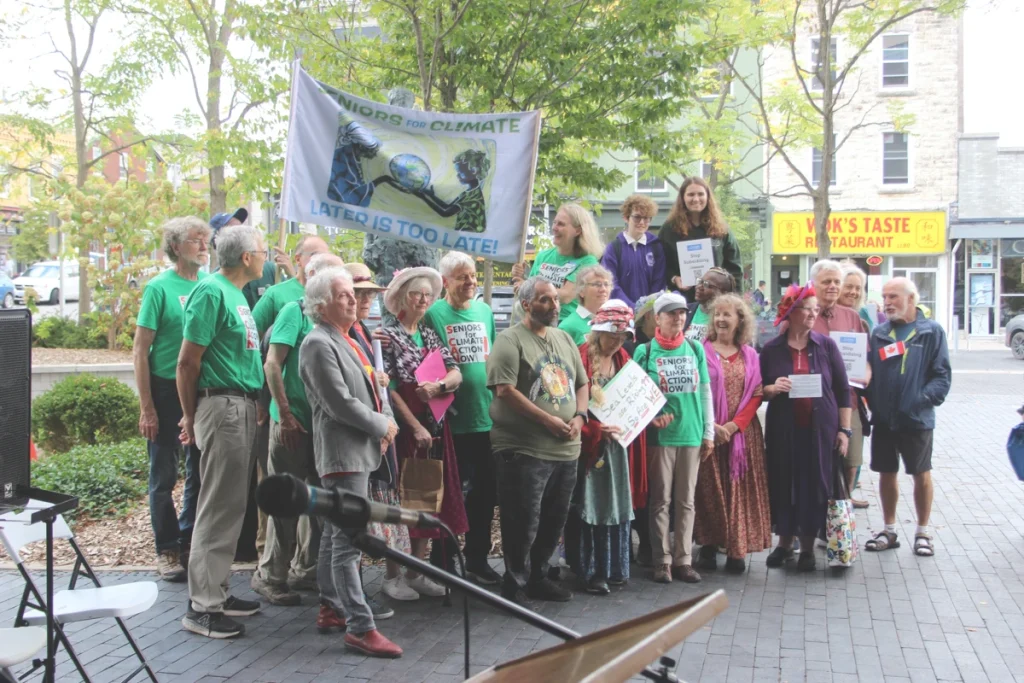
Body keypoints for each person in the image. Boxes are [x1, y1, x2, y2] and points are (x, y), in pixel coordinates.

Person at [298, 267, 402, 658]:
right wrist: (381, 425)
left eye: (351, 293)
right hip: (343, 455)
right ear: (322, 304)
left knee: (334, 535)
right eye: (342, 294)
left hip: (356, 452)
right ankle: (360, 627)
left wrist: (386, 415)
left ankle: (332, 607)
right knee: (348, 541)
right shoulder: (317, 343)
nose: (351, 299)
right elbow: (338, 402)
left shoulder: (347, 339)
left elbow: (375, 385)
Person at [176, 225, 266, 639]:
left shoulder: (236, 294)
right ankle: (203, 607)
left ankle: (218, 590)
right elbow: (187, 362)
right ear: (246, 257)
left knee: (231, 504)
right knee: (216, 505)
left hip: (239, 405)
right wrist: (190, 415)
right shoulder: (211, 292)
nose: (266, 256)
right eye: (262, 251)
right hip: (222, 405)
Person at [249, 253, 344, 608]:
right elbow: (272, 363)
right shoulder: (295, 311)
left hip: (322, 429)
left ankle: (305, 568)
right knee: (285, 505)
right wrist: (285, 416)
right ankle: (270, 575)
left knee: (316, 502)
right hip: (291, 426)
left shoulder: (329, 319)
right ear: (313, 276)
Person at [487, 277, 589, 603]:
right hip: (524, 448)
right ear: (527, 304)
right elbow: (504, 390)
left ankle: (538, 576)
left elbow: (582, 384)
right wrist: (548, 420)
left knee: (554, 518)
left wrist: (580, 417)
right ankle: (514, 582)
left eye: (556, 299)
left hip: (566, 448)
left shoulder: (564, 339)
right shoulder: (509, 340)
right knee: (523, 519)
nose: (554, 305)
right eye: (545, 300)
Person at [378, 267, 468, 598]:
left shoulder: (429, 334)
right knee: (402, 500)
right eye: (416, 294)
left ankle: (417, 569)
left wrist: (440, 385)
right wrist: (413, 426)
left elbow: (456, 372)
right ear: (401, 298)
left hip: (435, 425)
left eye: (428, 295)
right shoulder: (388, 336)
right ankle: (393, 574)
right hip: (406, 430)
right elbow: (389, 388)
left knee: (425, 498)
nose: (423, 300)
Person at [133, 216, 210, 582]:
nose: (204, 246)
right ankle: (166, 549)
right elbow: (140, 351)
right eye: (197, 240)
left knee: (199, 471)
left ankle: (188, 541)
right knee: (163, 474)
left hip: (202, 390)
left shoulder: (211, 285)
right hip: (165, 390)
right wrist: (147, 407)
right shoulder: (158, 288)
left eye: (206, 239)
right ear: (177, 247)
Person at [760, 284, 851, 572]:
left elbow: (843, 390)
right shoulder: (772, 348)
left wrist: (844, 431)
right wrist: (772, 388)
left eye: (816, 309)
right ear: (791, 312)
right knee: (783, 481)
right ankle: (784, 543)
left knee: (814, 485)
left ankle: (808, 547)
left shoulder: (826, 345)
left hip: (820, 430)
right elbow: (757, 389)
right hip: (783, 429)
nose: (813, 314)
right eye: (807, 309)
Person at [423, 252, 501, 585]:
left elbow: (493, 357)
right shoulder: (432, 315)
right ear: (445, 282)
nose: (470, 281)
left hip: (486, 417)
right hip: (452, 423)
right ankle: (444, 561)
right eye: (461, 276)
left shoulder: (484, 311)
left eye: (472, 275)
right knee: (451, 494)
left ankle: (478, 558)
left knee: (485, 493)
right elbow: (427, 364)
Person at [863, 278, 951, 558]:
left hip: (916, 419)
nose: (887, 302)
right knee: (886, 473)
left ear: (911, 298)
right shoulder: (879, 333)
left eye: (893, 297)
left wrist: (920, 401)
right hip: (885, 420)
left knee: (920, 474)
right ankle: (889, 530)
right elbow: (868, 372)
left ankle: (923, 531)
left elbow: (942, 376)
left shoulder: (931, 331)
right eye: (885, 297)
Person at [634, 292, 715, 584]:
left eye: (681, 313)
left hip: (691, 434)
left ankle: (683, 560)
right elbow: (636, 395)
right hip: (660, 437)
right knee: (660, 500)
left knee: (686, 501)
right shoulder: (645, 351)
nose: (678, 318)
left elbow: (705, 391)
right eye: (671, 313)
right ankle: (661, 561)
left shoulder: (695, 348)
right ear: (657, 318)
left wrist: (709, 432)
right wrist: (650, 418)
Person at [566, 300, 646, 595]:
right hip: (591, 448)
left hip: (618, 447)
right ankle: (590, 570)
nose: (616, 341)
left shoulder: (624, 358)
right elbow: (569, 406)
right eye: (612, 335)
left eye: (622, 336)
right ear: (598, 332)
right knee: (592, 506)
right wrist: (597, 430)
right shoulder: (582, 357)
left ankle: (614, 567)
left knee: (615, 503)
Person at [344, 262, 411, 607]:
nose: (366, 300)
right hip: (359, 439)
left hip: (379, 435)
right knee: (352, 518)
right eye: (359, 293)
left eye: (370, 294)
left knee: (379, 505)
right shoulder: (336, 335)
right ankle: (348, 596)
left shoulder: (365, 332)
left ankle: (384, 580)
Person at [694, 295, 771, 573]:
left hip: (741, 435)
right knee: (709, 491)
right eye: (717, 314)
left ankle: (736, 549)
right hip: (708, 433)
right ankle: (709, 545)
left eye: (728, 315)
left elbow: (756, 395)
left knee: (739, 491)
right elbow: (694, 392)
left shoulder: (750, 354)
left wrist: (733, 426)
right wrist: (712, 425)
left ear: (740, 320)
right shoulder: (700, 350)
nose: (721, 320)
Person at [809, 259, 871, 509]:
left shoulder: (852, 317)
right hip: (813, 402)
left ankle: (840, 516)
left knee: (851, 458)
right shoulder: (804, 313)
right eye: (827, 282)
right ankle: (816, 514)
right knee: (816, 461)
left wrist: (866, 373)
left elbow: (864, 356)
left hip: (849, 399)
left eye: (837, 282)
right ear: (814, 285)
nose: (834, 286)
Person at [510, 203, 603, 323]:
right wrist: (518, 278)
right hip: (537, 322)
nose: (554, 227)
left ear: (578, 230)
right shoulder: (543, 256)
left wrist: (526, 286)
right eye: (555, 222)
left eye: (561, 224)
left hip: (565, 325)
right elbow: (528, 291)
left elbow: (566, 295)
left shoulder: (588, 261)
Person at [658, 177, 742, 294]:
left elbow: (735, 269)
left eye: (700, 194)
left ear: (708, 197)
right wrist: (674, 278)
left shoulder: (721, 229)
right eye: (691, 194)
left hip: (716, 302)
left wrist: (735, 301)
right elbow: (660, 266)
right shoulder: (669, 230)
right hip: (683, 302)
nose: (696, 199)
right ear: (683, 197)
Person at [252, 234, 331, 335]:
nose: (323, 260)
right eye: (316, 255)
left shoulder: (333, 295)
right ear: (298, 259)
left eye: (327, 256)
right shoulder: (275, 294)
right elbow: (252, 336)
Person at [600, 194, 666, 309]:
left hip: (649, 314)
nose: (641, 222)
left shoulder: (656, 247)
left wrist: (647, 308)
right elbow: (611, 284)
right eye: (637, 217)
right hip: (621, 312)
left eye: (646, 218)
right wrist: (633, 308)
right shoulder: (614, 248)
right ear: (626, 217)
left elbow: (659, 282)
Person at [412, 149, 490, 233]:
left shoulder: (473, 197)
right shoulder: (469, 192)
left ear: (473, 171)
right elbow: (447, 206)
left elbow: (445, 213)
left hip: (470, 235)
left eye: (461, 172)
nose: (458, 175)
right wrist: (432, 196)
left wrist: (423, 198)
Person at [558, 264, 613, 345]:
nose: (603, 289)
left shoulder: (612, 321)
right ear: (581, 291)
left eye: (606, 284)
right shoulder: (567, 327)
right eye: (597, 284)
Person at [685, 267, 735, 342]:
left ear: (723, 293)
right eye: (700, 282)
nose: (699, 287)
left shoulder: (730, 318)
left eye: (706, 284)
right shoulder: (684, 310)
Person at [839, 262, 874, 333]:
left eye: (858, 288)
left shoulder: (863, 313)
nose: (853, 292)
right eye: (849, 287)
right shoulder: (827, 313)